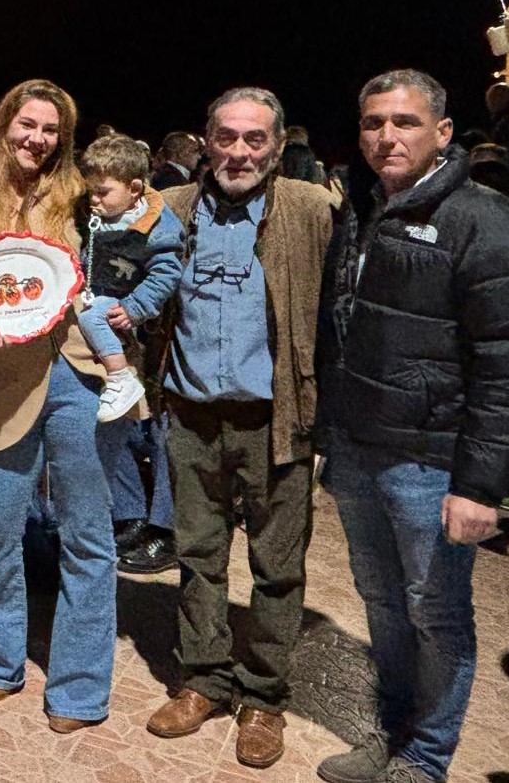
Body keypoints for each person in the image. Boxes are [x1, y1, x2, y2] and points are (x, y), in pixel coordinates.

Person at [316, 70, 509, 783]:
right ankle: (390, 730)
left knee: (436, 613)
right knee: (382, 601)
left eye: (405, 121)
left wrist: (481, 485)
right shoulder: (361, 208)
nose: (386, 135)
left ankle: (425, 755)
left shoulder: (489, 221)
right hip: (360, 451)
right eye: (373, 122)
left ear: (443, 132)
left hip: (432, 463)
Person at [0, 79, 130, 732]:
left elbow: (119, 255)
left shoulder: (74, 192)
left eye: (50, 130)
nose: (37, 139)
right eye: (28, 124)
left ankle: (78, 686)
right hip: (0, 380)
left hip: (78, 371)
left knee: (88, 535)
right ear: (5, 118)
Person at [144, 87, 334, 771]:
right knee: (197, 556)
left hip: (275, 420)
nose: (239, 151)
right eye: (227, 136)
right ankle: (204, 681)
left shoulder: (314, 210)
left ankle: (263, 697)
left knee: (277, 569)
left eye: (255, 139)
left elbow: (338, 316)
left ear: (278, 147)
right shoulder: (171, 210)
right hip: (192, 417)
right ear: (206, 138)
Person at [75, 134, 184, 422]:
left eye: (102, 192)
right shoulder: (104, 213)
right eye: (90, 193)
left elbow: (167, 272)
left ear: (134, 188)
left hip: (123, 299)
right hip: (96, 286)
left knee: (90, 319)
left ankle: (120, 378)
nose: (94, 200)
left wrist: (135, 307)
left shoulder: (157, 225)